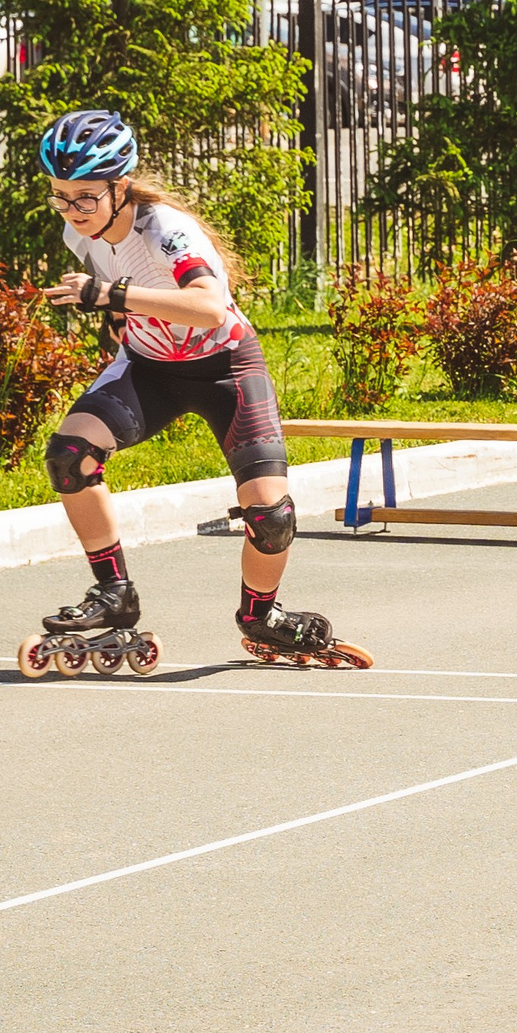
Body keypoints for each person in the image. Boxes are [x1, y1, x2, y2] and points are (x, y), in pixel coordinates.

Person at [32, 109, 364, 669]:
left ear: (119, 185)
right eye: (60, 197)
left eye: (85, 197)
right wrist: (117, 315)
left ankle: (261, 615)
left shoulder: (166, 229)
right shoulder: (79, 231)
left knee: (270, 515)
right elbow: (124, 304)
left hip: (225, 368)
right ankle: (114, 594)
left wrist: (113, 296)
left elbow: (209, 307)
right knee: (70, 457)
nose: (72, 211)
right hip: (149, 366)